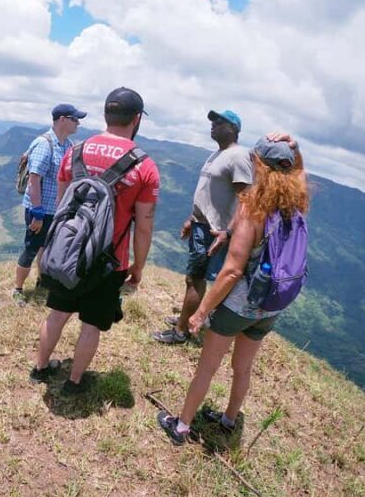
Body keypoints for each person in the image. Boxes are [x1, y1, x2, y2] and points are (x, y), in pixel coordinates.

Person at [157, 134, 308, 444]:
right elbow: (299, 171)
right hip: (271, 305)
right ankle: (228, 419)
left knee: (207, 367)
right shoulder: (295, 205)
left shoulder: (254, 209)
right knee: (243, 367)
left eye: (254, 161)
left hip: (240, 305)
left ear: (260, 166)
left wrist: (201, 312)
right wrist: (294, 147)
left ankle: (181, 426)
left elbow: (232, 271)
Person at [29, 88, 160, 394]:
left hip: (69, 251)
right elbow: (144, 226)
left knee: (57, 313)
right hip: (109, 260)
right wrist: (138, 267)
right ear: (136, 119)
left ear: (105, 114)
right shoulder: (144, 166)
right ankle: (74, 382)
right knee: (90, 324)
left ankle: (40, 368)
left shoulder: (75, 152)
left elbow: (63, 205)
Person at [152, 110, 253, 344]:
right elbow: (209, 194)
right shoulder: (217, 154)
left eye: (219, 122)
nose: (213, 125)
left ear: (233, 129)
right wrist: (193, 218)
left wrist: (228, 232)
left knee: (195, 278)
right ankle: (188, 318)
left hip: (214, 232)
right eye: (213, 121)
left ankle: (181, 331)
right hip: (202, 225)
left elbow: (246, 201)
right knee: (194, 278)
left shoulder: (238, 157)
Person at [13, 103, 85, 306]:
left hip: (57, 210)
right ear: (62, 119)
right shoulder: (45, 145)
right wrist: (37, 213)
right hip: (40, 209)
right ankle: (18, 289)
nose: (78, 123)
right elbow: (34, 180)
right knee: (32, 248)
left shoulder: (68, 145)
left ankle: (42, 283)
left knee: (47, 249)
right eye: (74, 119)